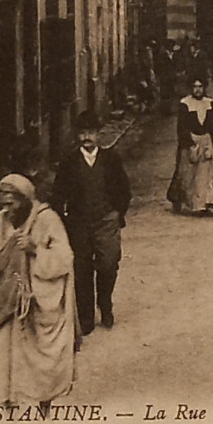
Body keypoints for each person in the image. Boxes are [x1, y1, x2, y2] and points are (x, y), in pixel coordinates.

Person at [0, 174, 77, 406]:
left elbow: (65, 259)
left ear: (25, 200)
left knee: (38, 357)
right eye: (3, 204)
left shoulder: (47, 219)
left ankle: (41, 401)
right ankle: (7, 401)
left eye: (11, 204)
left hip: (38, 299)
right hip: (6, 299)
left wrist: (35, 249)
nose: (8, 209)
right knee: (2, 353)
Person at [51, 113, 131, 335]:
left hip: (106, 220)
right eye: (82, 133)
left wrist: (117, 213)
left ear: (98, 134)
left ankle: (105, 304)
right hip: (79, 223)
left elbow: (124, 190)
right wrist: (65, 223)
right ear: (77, 135)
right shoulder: (69, 162)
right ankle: (86, 317)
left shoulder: (111, 159)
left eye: (91, 132)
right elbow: (58, 196)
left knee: (108, 263)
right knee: (82, 269)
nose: (87, 137)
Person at [167, 78, 213, 216]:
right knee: (187, 174)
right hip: (191, 140)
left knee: (206, 173)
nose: (198, 90)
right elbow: (181, 127)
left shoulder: (208, 103)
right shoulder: (185, 104)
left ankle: (205, 203)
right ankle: (181, 199)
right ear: (190, 88)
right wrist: (188, 143)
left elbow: (212, 126)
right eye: (195, 87)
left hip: (205, 140)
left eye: (200, 87)